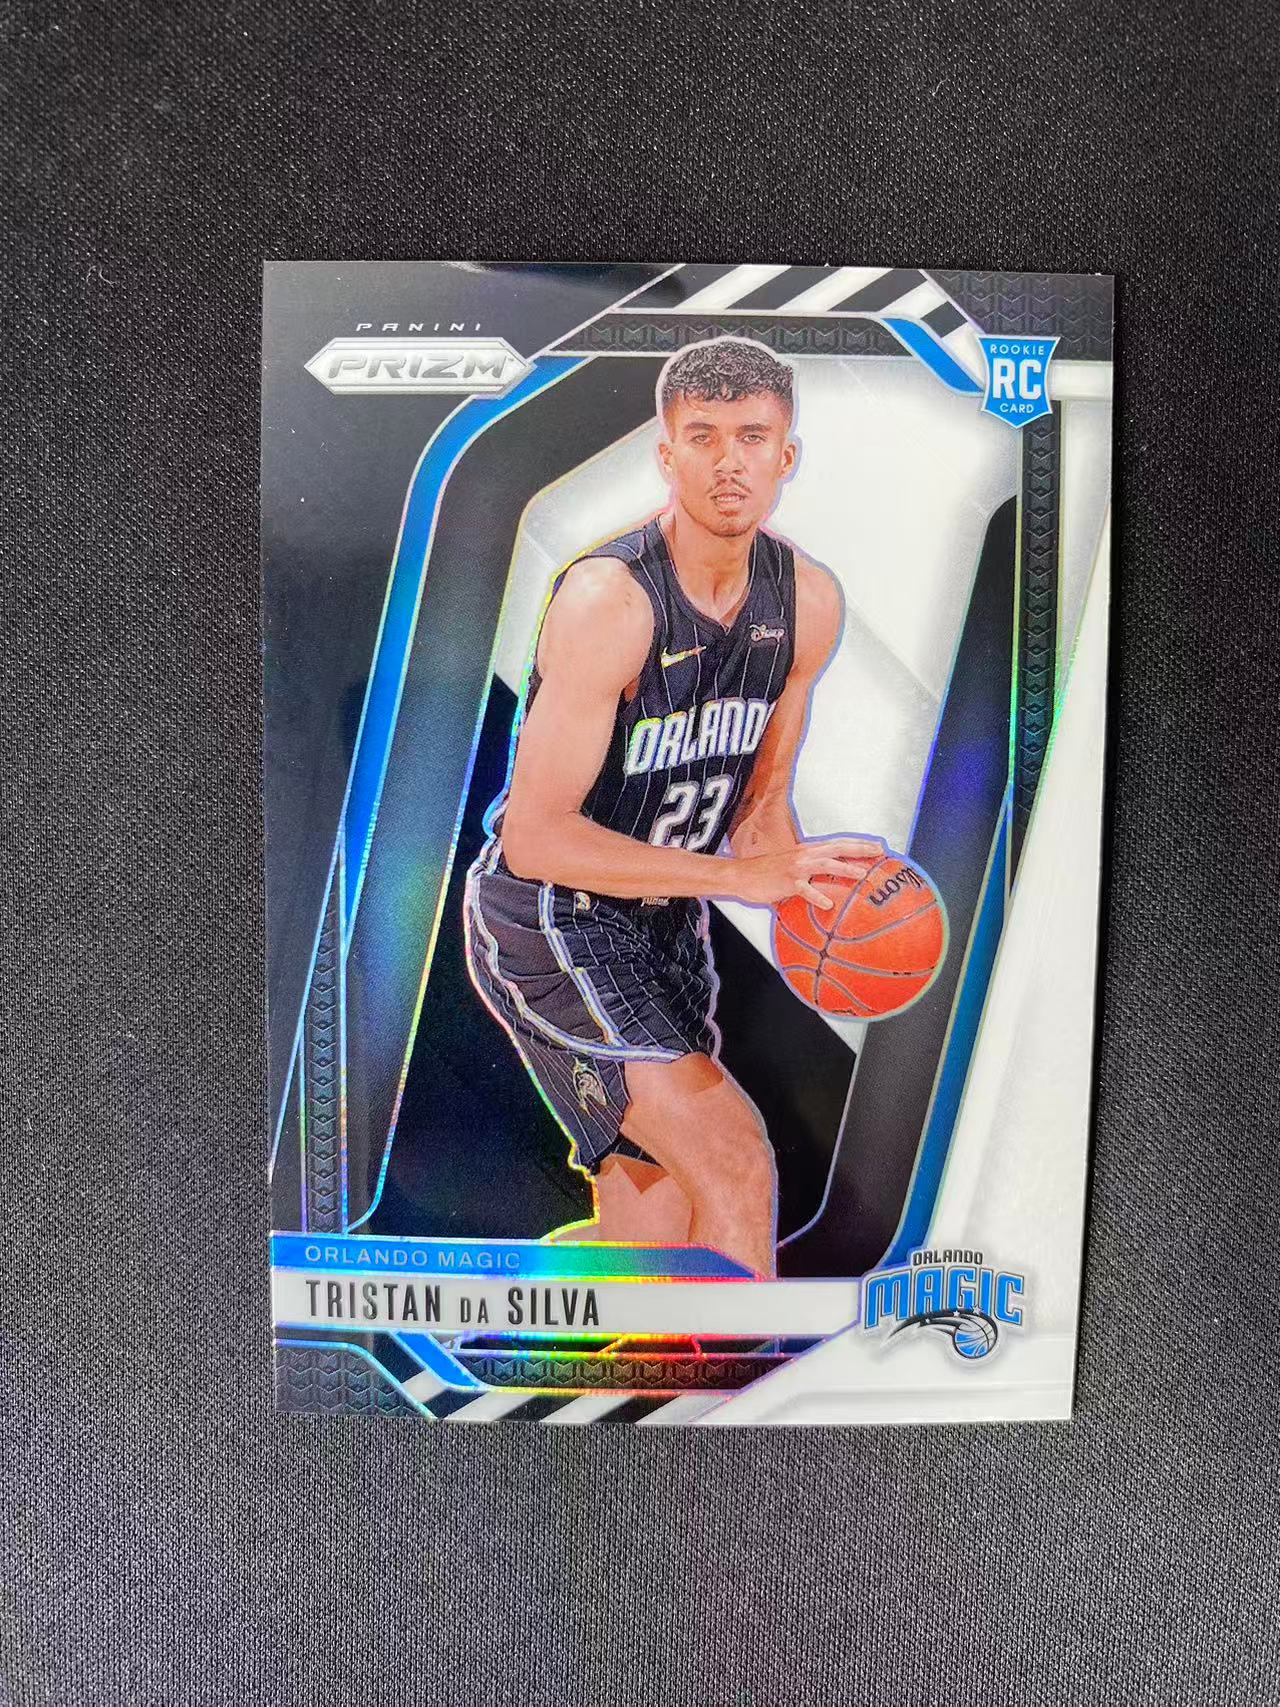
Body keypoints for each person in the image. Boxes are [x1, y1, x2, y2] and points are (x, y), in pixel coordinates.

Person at [464, 336, 881, 1276]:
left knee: (655, 1238)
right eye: (703, 437)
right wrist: (738, 878)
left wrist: (818, 901)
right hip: (550, 917)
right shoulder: (608, 601)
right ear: (666, 454)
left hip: (664, 929)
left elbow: (760, 812)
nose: (729, 461)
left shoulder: (806, 603)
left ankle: (523, 1335)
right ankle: (750, 1378)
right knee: (734, 1154)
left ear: (786, 455)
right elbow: (534, 838)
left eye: (752, 436)